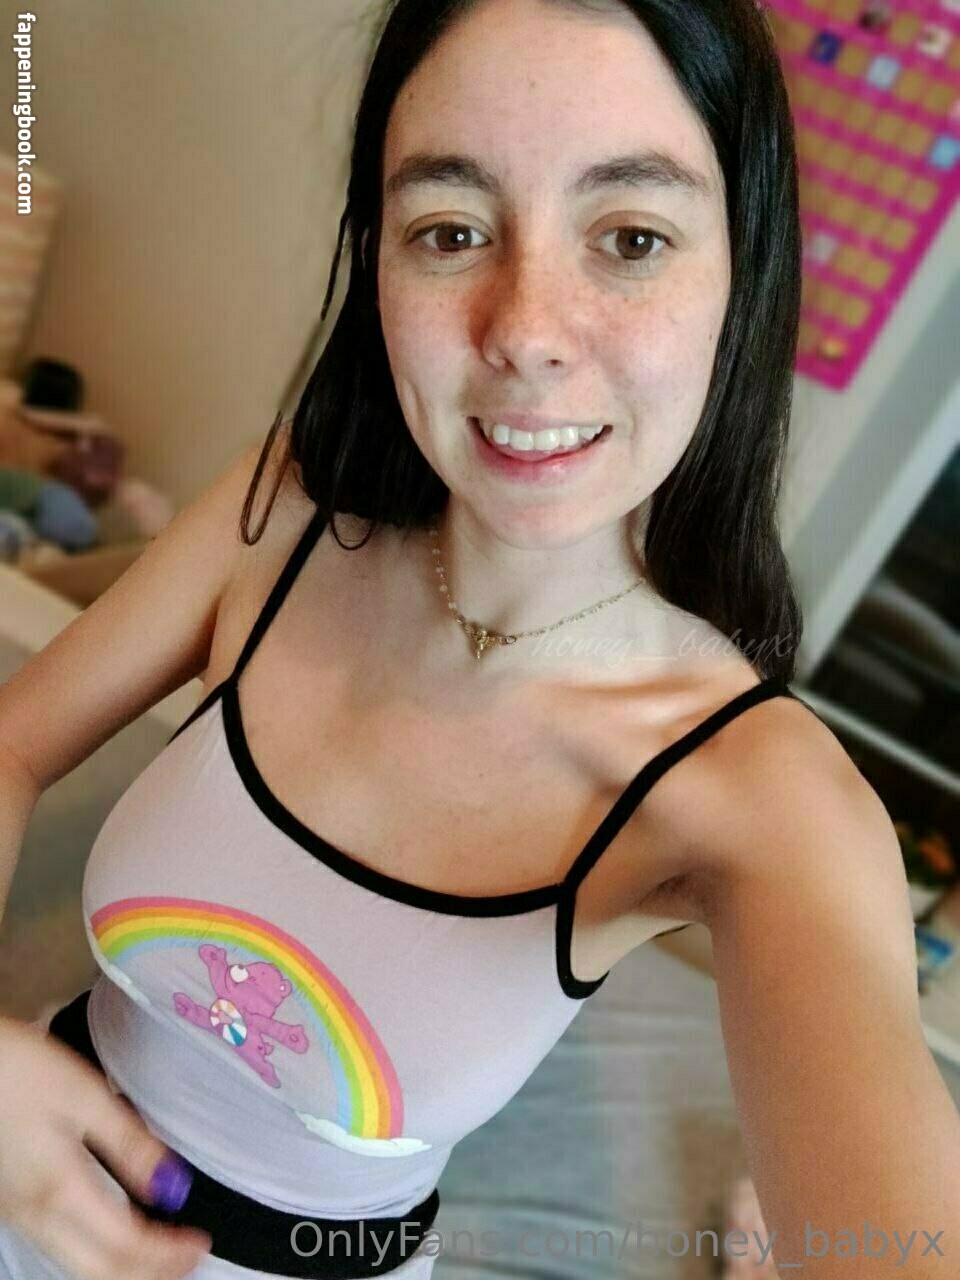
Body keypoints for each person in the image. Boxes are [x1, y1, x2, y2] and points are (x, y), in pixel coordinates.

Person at [0, 0, 957, 1277]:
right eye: (450, 231)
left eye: (631, 237)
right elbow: (13, 743)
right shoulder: (284, 508)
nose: (525, 332)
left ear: (742, 277)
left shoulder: (754, 794)